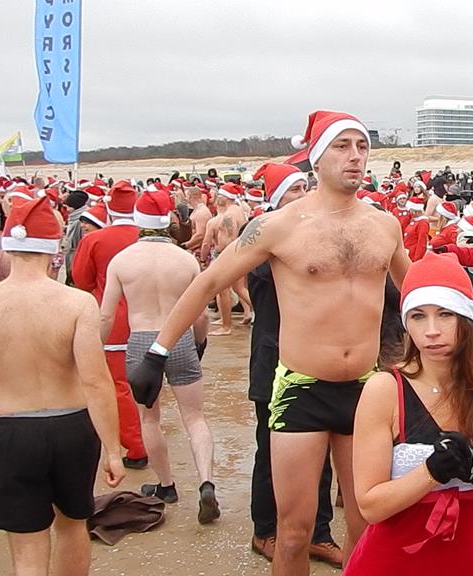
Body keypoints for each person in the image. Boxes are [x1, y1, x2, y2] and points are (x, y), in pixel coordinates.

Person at [126, 110, 411, 576]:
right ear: (316, 158)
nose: (355, 157)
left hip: (367, 389)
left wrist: (461, 351)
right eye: (342, 146)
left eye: (362, 147)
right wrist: (158, 352)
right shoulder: (280, 225)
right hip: (301, 391)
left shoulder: (385, 226)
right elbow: (208, 281)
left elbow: (417, 290)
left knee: (366, 524)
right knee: (294, 532)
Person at [0, 197, 126, 575]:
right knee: (72, 526)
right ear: (54, 248)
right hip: (72, 428)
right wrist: (113, 450)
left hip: (14, 429)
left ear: (5, 247)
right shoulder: (77, 303)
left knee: (27, 547)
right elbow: (96, 382)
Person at [344, 251, 473, 575]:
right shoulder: (384, 390)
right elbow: (370, 506)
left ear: (466, 317)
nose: (431, 330)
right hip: (397, 561)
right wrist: (431, 471)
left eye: (445, 314)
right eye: (418, 316)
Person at [99, 189, 219, 523]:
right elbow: (201, 314)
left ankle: (166, 485)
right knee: (195, 417)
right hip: (178, 337)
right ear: (169, 221)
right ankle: (206, 482)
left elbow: (106, 316)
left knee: (149, 419)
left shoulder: (122, 260)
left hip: (141, 341)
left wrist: (95, 349)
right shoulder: (185, 260)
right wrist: (199, 343)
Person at [245, 162, 341, 566]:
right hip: (274, 360)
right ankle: (265, 530)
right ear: (275, 200)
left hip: (318, 360)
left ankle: (319, 533)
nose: (305, 196)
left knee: (322, 454)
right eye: (295, 190)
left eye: (306, 187)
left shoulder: (315, 231)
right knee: (270, 451)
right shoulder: (264, 235)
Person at [71, 181, 149, 469]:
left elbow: (81, 280)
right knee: (149, 384)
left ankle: (136, 446)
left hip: (114, 321)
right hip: (153, 319)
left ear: (109, 208)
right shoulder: (151, 238)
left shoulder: (95, 240)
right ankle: (149, 437)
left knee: (118, 385)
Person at [201, 183, 253, 335]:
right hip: (240, 253)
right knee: (239, 288)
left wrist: (221, 256)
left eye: (219, 195)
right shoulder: (238, 210)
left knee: (222, 288)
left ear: (225, 198)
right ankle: (255, 312)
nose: (216, 198)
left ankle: (226, 326)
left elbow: (227, 241)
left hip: (230, 254)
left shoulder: (229, 215)